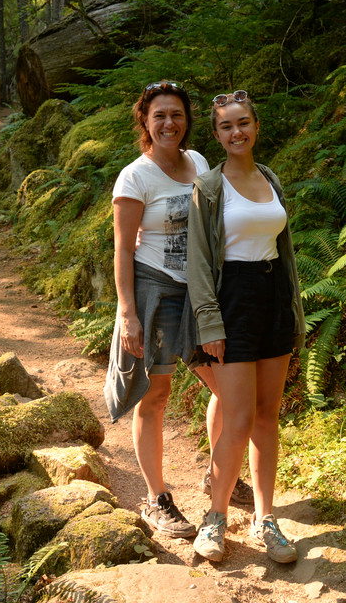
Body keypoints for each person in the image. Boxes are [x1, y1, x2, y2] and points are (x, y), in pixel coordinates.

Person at [103, 81, 251, 542]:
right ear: (145, 122)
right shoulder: (135, 177)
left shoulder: (200, 164)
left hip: (201, 292)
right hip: (156, 291)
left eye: (177, 115)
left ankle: (216, 474)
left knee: (227, 387)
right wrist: (128, 312)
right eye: (159, 115)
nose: (169, 123)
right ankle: (156, 498)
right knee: (156, 394)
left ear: (187, 121)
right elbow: (123, 251)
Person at [187, 89, 306, 564]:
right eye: (225, 126)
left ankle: (265, 519)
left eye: (243, 123)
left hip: (273, 298)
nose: (236, 132)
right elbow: (199, 262)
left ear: (256, 126)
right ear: (216, 135)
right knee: (236, 419)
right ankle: (215, 518)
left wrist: (292, 310)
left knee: (266, 417)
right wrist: (209, 322)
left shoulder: (271, 179)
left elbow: (285, 249)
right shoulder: (210, 188)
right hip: (230, 302)